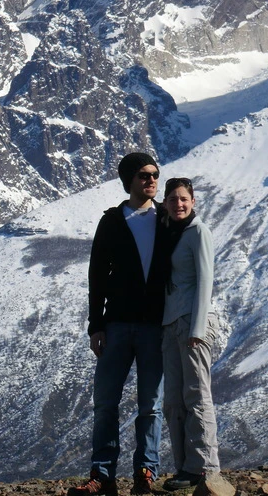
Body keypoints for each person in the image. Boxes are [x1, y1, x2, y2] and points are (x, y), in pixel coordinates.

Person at [73, 152, 169, 496]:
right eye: (144, 175)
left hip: (155, 326)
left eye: (155, 174)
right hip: (115, 326)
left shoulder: (167, 219)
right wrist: (95, 325)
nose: (152, 180)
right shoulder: (112, 221)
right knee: (106, 403)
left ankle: (146, 471)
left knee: (151, 405)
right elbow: (97, 274)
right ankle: (102, 476)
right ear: (129, 179)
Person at [160, 177, 220, 491]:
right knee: (173, 400)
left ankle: (203, 467)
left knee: (196, 394)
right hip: (171, 323)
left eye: (184, 199)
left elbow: (205, 280)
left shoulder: (199, 232)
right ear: (165, 203)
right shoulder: (173, 235)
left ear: (193, 201)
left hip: (193, 323)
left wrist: (197, 328)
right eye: (173, 199)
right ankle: (184, 467)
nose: (179, 204)